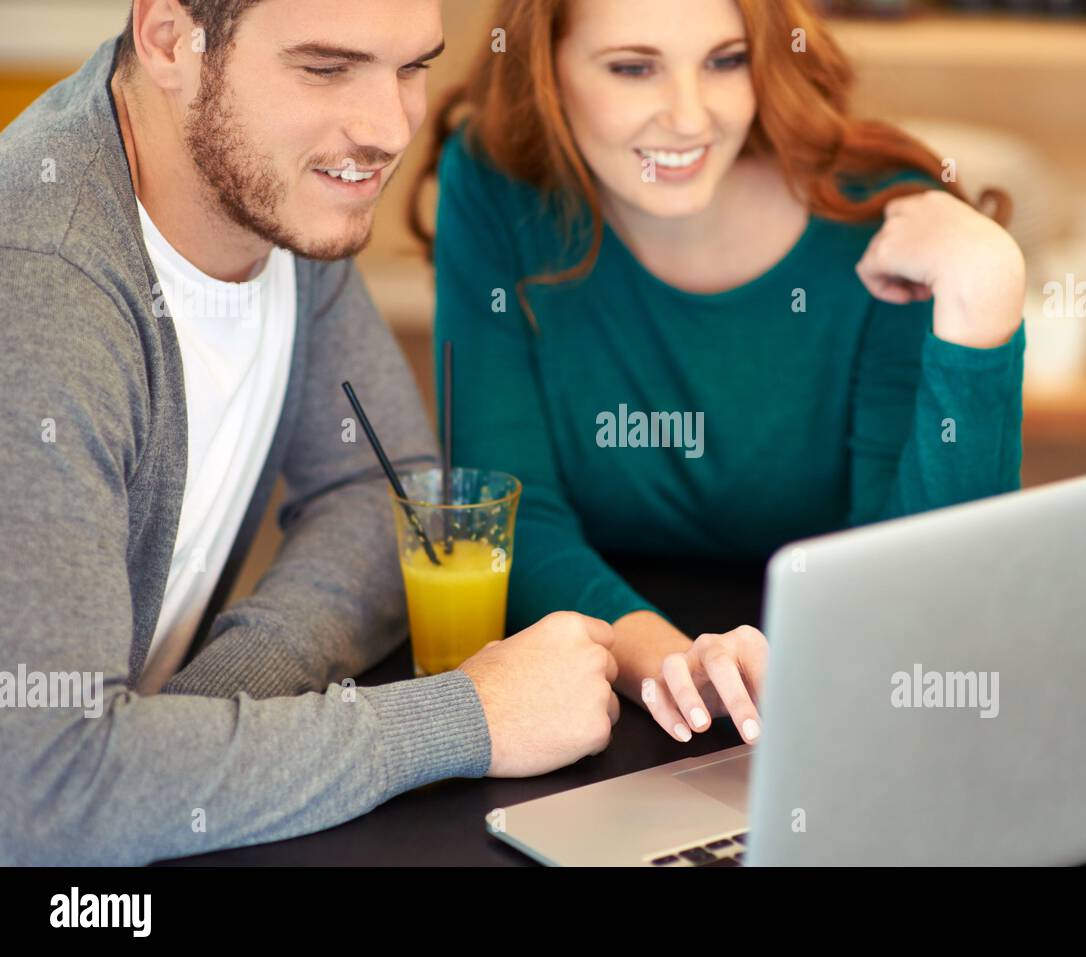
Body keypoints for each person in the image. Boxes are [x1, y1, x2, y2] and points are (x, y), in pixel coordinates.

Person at [0, 0, 619, 866]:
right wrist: (464, 718)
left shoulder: (271, 194)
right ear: (169, 37)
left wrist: (211, 704)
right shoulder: (44, 286)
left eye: (411, 68)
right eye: (324, 69)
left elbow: (382, 488)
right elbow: (43, 789)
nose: (386, 129)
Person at [412, 0, 1027, 747]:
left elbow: (930, 608)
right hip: (603, 684)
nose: (689, 116)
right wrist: (672, 665)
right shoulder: (493, 184)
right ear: (546, 69)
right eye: (634, 67)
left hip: (834, 690)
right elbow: (513, 513)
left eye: (725, 61)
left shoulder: (877, 218)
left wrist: (987, 292)